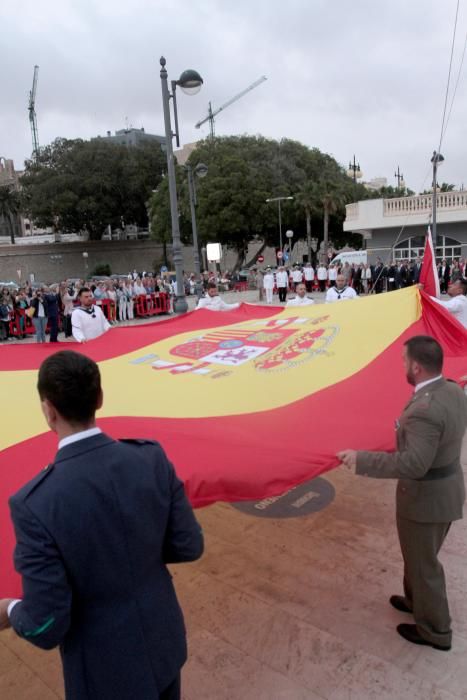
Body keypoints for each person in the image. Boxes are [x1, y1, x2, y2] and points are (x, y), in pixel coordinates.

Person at [0, 350, 203, 700]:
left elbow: (45, 624)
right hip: (163, 640)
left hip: (102, 669)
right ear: (100, 398)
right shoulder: (150, 457)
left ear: (48, 410)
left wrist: (10, 609)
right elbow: (189, 545)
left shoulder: (34, 504)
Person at [338, 336, 467, 651]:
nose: (402, 365)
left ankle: (435, 631)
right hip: (446, 489)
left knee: (424, 565)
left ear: (417, 366)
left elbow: (414, 463)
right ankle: (416, 600)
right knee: (418, 557)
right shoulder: (451, 389)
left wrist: (362, 460)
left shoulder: (424, 409)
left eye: (404, 360)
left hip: (425, 501)